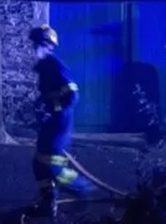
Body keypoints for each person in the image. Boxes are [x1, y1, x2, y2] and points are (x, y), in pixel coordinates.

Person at [25, 24, 98, 219]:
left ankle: (82, 190)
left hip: (60, 123)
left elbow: (72, 94)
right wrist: (41, 106)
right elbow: (47, 94)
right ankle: (47, 203)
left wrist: (55, 109)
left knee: (53, 167)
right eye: (35, 44)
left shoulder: (56, 65)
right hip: (50, 122)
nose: (36, 48)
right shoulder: (43, 67)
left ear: (50, 46)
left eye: (41, 44)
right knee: (39, 164)